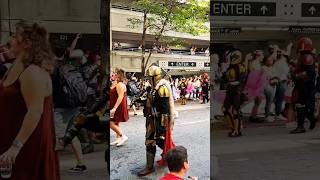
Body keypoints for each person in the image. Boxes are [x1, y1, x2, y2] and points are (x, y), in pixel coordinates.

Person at [0, 20, 60, 179]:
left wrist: (15, 147)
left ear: (26, 43)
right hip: (10, 139)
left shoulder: (32, 72)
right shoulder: (15, 67)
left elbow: (35, 111)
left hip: (26, 146)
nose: (9, 40)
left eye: (14, 36)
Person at [138, 64, 175, 176]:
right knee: (157, 142)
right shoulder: (152, 88)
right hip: (151, 119)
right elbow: (149, 101)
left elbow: (165, 110)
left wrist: (162, 127)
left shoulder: (162, 88)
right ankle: (175, 159)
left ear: (155, 77)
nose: (149, 79)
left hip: (158, 121)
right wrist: (142, 99)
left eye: (150, 77)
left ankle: (151, 166)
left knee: (153, 141)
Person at [290, 37, 317, 134]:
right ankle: (311, 119)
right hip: (302, 84)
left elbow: (309, 72)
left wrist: (296, 75)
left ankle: (301, 126)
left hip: (305, 85)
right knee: (301, 105)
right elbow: (302, 68)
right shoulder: (304, 55)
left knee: (301, 105)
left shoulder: (307, 56)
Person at [222, 49, 247, 137]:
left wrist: (239, 89)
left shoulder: (241, 67)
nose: (233, 59)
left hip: (237, 90)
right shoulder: (229, 67)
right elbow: (225, 79)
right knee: (225, 109)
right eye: (233, 57)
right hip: (230, 90)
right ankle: (233, 129)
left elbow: (243, 80)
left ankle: (236, 130)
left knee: (235, 111)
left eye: (235, 57)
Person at [110, 68, 129, 146]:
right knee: (115, 122)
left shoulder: (120, 84)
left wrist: (114, 108)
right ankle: (118, 138)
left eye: (114, 73)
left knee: (110, 123)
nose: (112, 74)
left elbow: (120, 97)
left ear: (118, 75)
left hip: (117, 106)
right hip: (115, 105)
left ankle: (122, 136)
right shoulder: (116, 83)